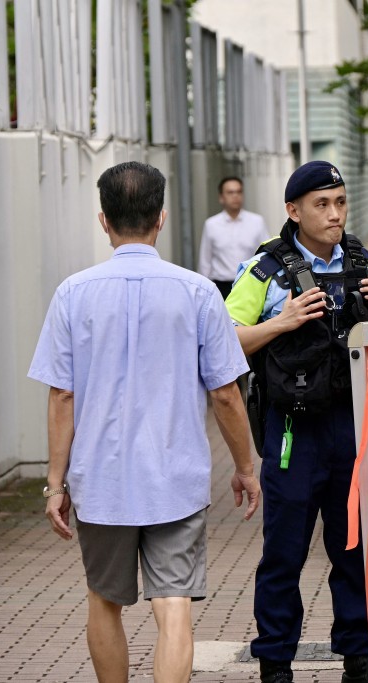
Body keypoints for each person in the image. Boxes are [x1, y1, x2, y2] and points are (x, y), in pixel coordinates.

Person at [29, 161, 261, 683]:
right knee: (174, 600)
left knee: (104, 598)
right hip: (176, 476)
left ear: (103, 221)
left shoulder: (73, 293)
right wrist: (246, 466)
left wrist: (54, 483)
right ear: (160, 218)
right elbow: (225, 392)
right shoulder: (199, 292)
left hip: (100, 478)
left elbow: (62, 395)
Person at [225, 160, 368, 683]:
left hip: (350, 425)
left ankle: (359, 656)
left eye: (340, 202)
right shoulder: (265, 269)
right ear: (293, 210)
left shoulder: (362, 260)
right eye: (322, 204)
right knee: (285, 549)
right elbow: (224, 341)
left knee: (353, 547)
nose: (334, 214)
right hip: (292, 431)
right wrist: (283, 321)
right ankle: (275, 660)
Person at [198, 176, 271, 298]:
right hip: (221, 287)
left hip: (250, 284)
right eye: (230, 192)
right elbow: (205, 262)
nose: (235, 196)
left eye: (239, 192)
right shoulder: (211, 224)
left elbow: (266, 255)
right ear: (221, 197)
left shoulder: (257, 222)